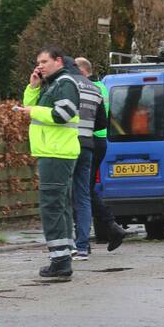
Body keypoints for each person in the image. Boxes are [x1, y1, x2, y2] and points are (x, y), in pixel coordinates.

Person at [19, 46, 80, 279]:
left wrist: (34, 109)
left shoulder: (65, 83)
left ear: (58, 61)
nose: (40, 66)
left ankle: (60, 260)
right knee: (59, 205)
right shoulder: (52, 84)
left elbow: (61, 115)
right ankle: (63, 256)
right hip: (53, 152)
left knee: (51, 207)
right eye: (38, 62)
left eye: (44, 61)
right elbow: (33, 111)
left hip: (57, 153)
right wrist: (33, 88)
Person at [76, 57, 127, 252]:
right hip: (99, 141)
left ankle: (107, 228)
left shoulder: (89, 88)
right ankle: (104, 230)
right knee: (85, 189)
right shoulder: (102, 86)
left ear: (82, 72)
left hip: (90, 140)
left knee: (82, 190)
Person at [62, 56, 102, 260]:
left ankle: (67, 245)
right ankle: (83, 245)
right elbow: (101, 124)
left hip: (66, 145)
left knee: (64, 196)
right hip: (86, 145)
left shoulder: (64, 85)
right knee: (83, 195)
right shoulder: (95, 89)